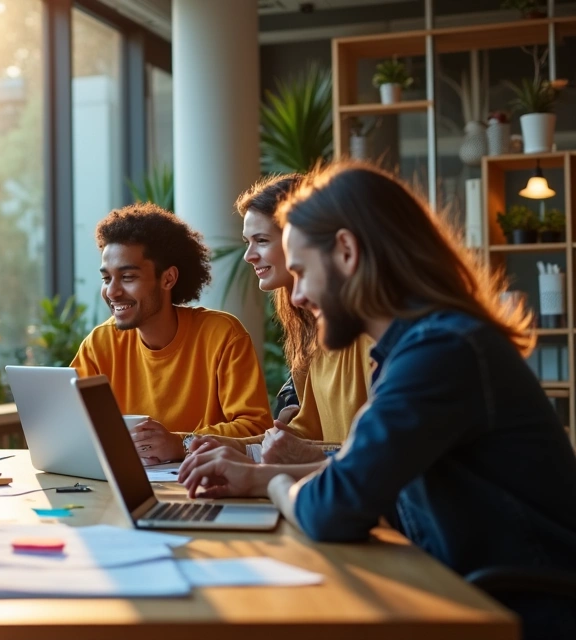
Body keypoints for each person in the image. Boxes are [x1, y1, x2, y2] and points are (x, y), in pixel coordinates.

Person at [179, 163, 576, 639]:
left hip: (518, 615)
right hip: (463, 592)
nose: (297, 296)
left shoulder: (439, 353)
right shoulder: (419, 347)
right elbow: (360, 471)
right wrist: (254, 478)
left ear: (347, 252)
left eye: (302, 272)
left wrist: (275, 483)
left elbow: (331, 508)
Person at [188, 174, 373, 466]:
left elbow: (376, 455)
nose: (248, 256)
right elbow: (309, 433)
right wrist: (232, 447)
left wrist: (258, 470)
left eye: (261, 241)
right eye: (248, 242)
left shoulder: (373, 334)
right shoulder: (314, 329)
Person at [71, 202, 272, 465]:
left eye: (128, 277)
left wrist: (181, 444)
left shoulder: (222, 335)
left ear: (168, 279)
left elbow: (256, 429)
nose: (112, 292)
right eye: (106, 279)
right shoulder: (100, 344)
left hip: (207, 480)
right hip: (129, 480)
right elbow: (70, 423)